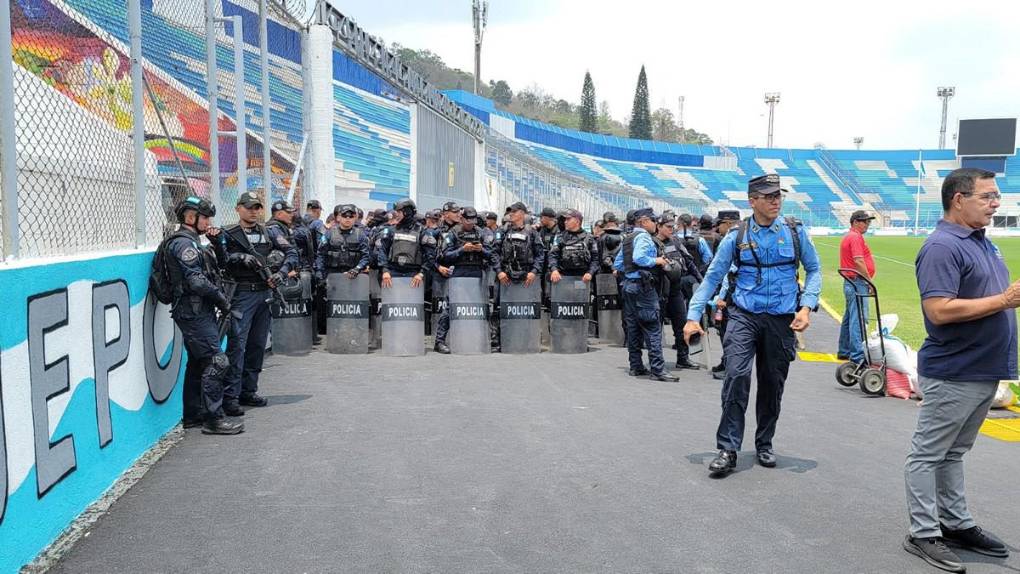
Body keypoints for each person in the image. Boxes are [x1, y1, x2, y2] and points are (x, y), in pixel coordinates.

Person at [902, 168, 1017, 572]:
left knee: (953, 453)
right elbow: (939, 310)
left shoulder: (982, 242)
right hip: (955, 370)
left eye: (996, 196)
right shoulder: (942, 246)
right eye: (987, 196)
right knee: (929, 454)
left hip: (982, 368)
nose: (995, 204)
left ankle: (955, 523)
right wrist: (1004, 301)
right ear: (958, 199)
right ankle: (923, 532)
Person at [683, 174, 821, 477]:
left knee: (772, 384)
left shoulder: (795, 232)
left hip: (781, 319)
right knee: (736, 376)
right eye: (768, 196)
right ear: (752, 201)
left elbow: (814, 270)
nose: (775, 201)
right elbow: (713, 277)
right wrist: (693, 316)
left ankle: (764, 443)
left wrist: (806, 307)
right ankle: (728, 448)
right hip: (743, 315)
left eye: (778, 195)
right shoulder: (736, 236)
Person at [166, 197, 243, 435]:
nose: (208, 222)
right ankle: (213, 419)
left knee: (198, 363)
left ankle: (193, 415)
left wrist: (217, 243)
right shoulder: (184, 244)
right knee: (216, 361)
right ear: (191, 217)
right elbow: (197, 282)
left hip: (196, 310)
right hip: (193, 312)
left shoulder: (194, 242)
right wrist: (221, 299)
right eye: (205, 217)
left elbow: (221, 266)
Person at [215, 192, 298, 413]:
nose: (253, 211)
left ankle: (249, 391)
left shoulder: (269, 232)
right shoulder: (228, 233)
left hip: (264, 293)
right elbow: (221, 260)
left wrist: (281, 273)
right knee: (237, 346)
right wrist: (239, 258)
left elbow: (291, 253)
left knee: (257, 346)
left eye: (257, 207)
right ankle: (230, 397)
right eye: (249, 207)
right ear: (238, 208)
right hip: (241, 295)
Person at [613, 208, 679, 383]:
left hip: (628, 286)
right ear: (643, 222)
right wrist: (657, 261)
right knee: (652, 327)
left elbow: (618, 264)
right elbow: (639, 258)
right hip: (643, 288)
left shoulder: (628, 238)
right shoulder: (643, 237)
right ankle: (658, 369)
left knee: (633, 327)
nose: (655, 223)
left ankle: (636, 366)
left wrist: (631, 272)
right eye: (653, 220)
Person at [433, 207, 494, 353]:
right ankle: (439, 341)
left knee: (478, 308)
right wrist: (462, 250)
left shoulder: (481, 232)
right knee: (451, 308)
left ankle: (477, 338)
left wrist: (481, 250)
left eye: (473, 220)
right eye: (468, 220)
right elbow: (445, 256)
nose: (471, 223)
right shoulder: (453, 233)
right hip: (459, 273)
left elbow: (492, 255)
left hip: (477, 272)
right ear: (462, 219)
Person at [491, 202, 545, 349]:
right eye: (510, 212)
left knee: (524, 309)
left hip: (525, 278)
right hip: (505, 277)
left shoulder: (532, 232)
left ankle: (525, 339)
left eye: (514, 212)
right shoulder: (502, 231)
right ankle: (499, 340)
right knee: (499, 308)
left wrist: (534, 272)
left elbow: (540, 255)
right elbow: (494, 253)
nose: (511, 214)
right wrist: (499, 271)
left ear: (522, 213)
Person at [655, 214, 702, 370]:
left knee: (681, 324)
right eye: (668, 227)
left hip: (675, 291)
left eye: (672, 226)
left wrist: (701, 280)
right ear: (659, 226)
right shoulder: (651, 243)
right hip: (659, 292)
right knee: (656, 329)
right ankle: (657, 363)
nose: (671, 229)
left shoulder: (676, 241)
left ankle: (683, 358)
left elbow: (689, 262)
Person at [837, 210, 877, 365]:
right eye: (864, 221)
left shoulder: (850, 236)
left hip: (851, 282)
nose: (867, 224)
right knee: (859, 318)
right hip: (857, 282)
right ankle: (858, 356)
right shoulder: (855, 237)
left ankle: (845, 350)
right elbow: (859, 261)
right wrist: (869, 282)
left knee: (850, 317)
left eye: (868, 222)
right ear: (855, 222)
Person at [375, 198, 437, 290]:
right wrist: (385, 270)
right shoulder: (391, 230)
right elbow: (382, 251)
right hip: (392, 273)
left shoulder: (422, 232)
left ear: (407, 212)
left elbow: (430, 255)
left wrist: (421, 273)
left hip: (414, 275)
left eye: (399, 212)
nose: (396, 214)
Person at [708, 210, 741, 379]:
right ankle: (725, 361)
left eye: (719, 224)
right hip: (733, 291)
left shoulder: (732, 240)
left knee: (728, 331)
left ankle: (729, 366)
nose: (716, 228)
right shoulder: (740, 237)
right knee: (725, 330)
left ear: (728, 223)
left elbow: (730, 272)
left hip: (729, 293)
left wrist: (721, 297)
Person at [315, 203, 370, 283]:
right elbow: (321, 254)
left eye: (351, 216)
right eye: (344, 215)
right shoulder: (329, 233)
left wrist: (357, 268)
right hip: (332, 275)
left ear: (355, 218)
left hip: (354, 276)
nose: (348, 218)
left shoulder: (361, 235)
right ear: (338, 217)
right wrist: (319, 272)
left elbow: (366, 256)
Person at [548, 209, 599, 284]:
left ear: (577, 221)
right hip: (563, 278)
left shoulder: (589, 238)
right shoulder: (560, 237)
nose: (565, 222)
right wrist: (554, 270)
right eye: (565, 219)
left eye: (568, 219)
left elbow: (596, 258)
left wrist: (590, 273)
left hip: (583, 279)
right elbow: (553, 255)